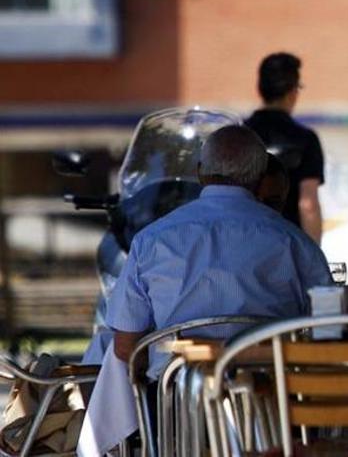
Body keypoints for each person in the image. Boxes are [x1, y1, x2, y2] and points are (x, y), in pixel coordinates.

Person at [105, 125, 332, 375]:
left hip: (178, 401)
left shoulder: (151, 240)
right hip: (271, 397)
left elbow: (126, 347)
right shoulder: (295, 243)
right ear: (260, 177)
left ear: (200, 172)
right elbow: (328, 330)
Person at [246, 52, 325, 244]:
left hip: (244, 242)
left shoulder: (239, 135)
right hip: (288, 245)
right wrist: (313, 257)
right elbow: (308, 205)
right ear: (292, 92)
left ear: (260, 88)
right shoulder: (305, 139)